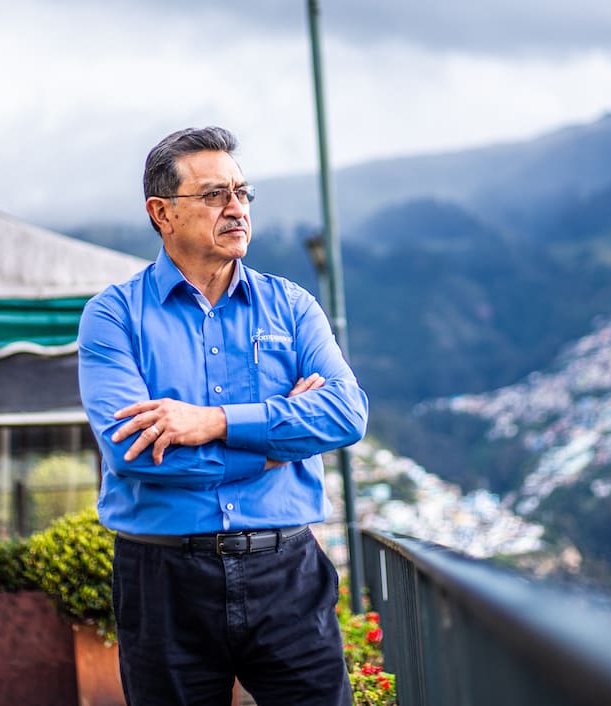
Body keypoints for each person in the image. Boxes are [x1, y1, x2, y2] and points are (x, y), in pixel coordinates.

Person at [77, 126, 368, 705]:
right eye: (213, 195)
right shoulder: (112, 317)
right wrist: (276, 444)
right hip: (163, 581)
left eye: (241, 192)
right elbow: (132, 454)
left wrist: (213, 422)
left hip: (287, 572)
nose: (236, 209)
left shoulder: (292, 305)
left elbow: (346, 413)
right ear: (161, 212)